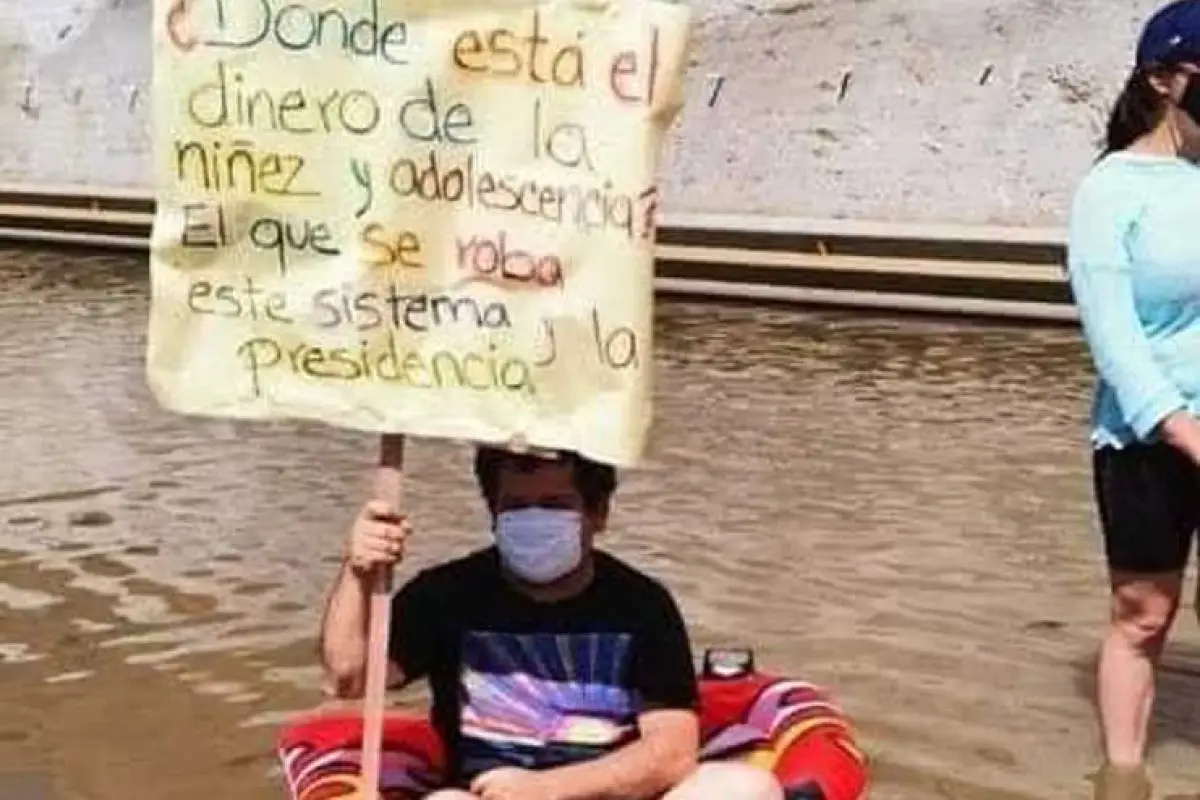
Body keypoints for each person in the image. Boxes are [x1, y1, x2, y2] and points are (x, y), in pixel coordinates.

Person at [318, 446, 783, 800]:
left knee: (744, 787)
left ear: (597, 514)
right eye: (516, 506)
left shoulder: (642, 605)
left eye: (554, 504)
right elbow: (348, 675)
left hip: (605, 794)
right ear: (493, 514)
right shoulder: (445, 593)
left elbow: (672, 752)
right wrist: (358, 569)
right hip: (485, 794)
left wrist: (544, 789)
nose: (533, 518)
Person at [1066, 2, 1200, 797]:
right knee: (1143, 615)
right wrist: (1184, 431)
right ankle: (1125, 778)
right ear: (1162, 79)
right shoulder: (1111, 192)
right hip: (1147, 439)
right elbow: (1114, 339)